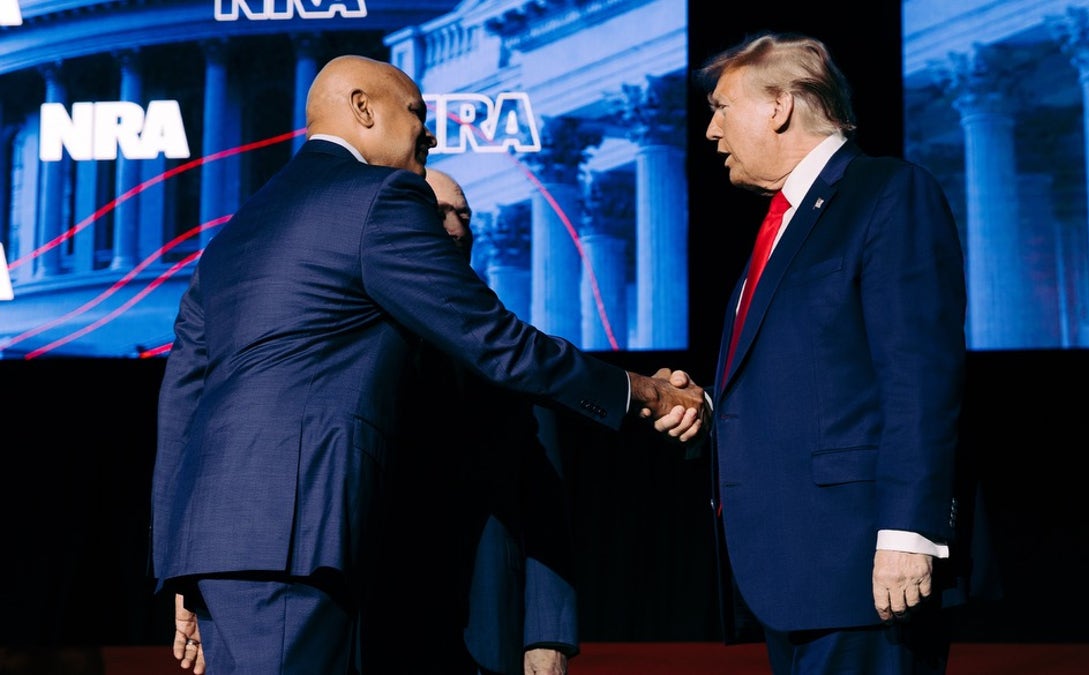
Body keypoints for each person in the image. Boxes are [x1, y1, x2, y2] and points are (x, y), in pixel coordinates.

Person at [151, 54, 706, 675]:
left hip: (224, 544)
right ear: (362, 108)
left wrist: (181, 563)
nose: (431, 134)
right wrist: (644, 393)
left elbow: (182, 404)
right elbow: (496, 343)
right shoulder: (382, 196)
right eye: (416, 112)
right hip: (298, 539)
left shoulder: (233, 234)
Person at [681, 31, 969, 673]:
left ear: (780, 104)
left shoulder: (887, 193)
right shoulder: (782, 222)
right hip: (794, 570)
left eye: (721, 109)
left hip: (864, 568)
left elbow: (919, 377)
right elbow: (808, 378)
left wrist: (907, 533)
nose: (711, 133)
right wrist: (701, 404)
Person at [363, 167, 579, 675]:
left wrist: (548, 635)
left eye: (464, 215)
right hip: (371, 617)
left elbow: (544, 498)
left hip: (486, 623)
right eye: (439, 214)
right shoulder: (354, 338)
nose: (458, 228)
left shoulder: (515, 347)